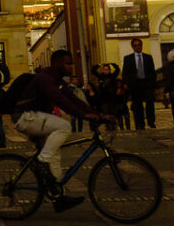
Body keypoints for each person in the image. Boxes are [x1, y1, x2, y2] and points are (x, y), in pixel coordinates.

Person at [12, 49, 106, 213]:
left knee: (55, 155)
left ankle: (57, 197)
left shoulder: (57, 80)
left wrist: (98, 115)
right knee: (64, 126)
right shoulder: (45, 79)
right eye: (68, 63)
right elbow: (60, 100)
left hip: (36, 118)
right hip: (25, 117)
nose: (71, 66)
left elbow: (73, 99)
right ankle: (41, 161)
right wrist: (83, 116)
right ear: (56, 63)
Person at [121, 38, 159, 130]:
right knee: (137, 105)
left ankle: (151, 121)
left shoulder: (148, 57)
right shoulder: (128, 58)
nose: (138, 47)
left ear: (142, 46)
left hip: (147, 83)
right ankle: (140, 123)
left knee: (150, 103)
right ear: (133, 47)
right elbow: (125, 72)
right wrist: (126, 83)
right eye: (135, 45)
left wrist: (153, 83)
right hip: (135, 84)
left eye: (139, 45)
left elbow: (152, 72)